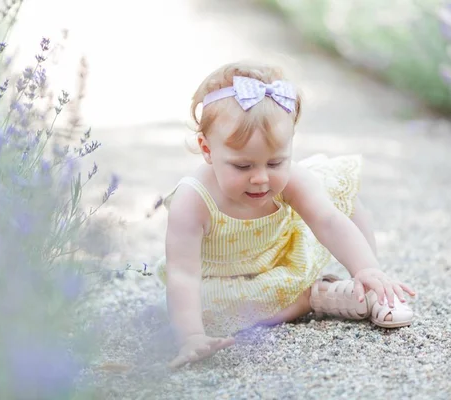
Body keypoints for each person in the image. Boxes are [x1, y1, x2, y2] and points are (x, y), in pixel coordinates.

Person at [153, 62, 416, 369]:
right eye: (243, 166)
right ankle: (315, 297)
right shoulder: (193, 200)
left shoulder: (291, 179)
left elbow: (328, 221)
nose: (261, 179)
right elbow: (183, 274)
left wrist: (366, 266)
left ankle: (370, 285)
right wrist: (191, 336)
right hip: (230, 278)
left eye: (276, 163)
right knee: (211, 313)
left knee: (339, 192)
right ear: (207, 149)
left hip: (283, 254)